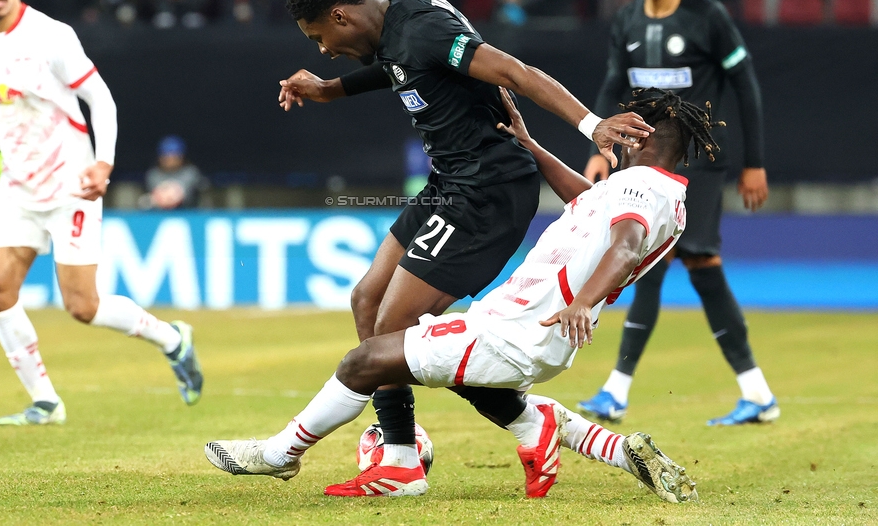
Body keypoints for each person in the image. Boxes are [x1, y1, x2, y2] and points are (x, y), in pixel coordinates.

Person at [205, 88, 707, 503]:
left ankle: (283, 455)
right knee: (461, 375)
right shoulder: (653, 191)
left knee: (366, 360)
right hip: (520, 327)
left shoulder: (641, 185)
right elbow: (585, 200)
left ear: (642, 133)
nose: (615, 132)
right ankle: (581, 437)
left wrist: (581, 301)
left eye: (627, 125)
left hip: (523, 329)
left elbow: (624, 247)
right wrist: (530, 144)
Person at [274, 0, 653, 495]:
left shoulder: (424, 27)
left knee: (398, 322)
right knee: (368, 301)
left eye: (320, 37)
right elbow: (402, 69)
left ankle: (404, 458)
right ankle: (415, 444)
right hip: (450, 180)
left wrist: (593, 126)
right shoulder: (398, 21)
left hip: (486, 190)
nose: (322, 50)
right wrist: (329, 89)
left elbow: (514, 72)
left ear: (341, 15)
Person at [0, 0, 203, 426]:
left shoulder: (51, 35)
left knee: (82, 306)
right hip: (17, 186)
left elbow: (101, 101)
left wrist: (103, 164)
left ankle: (173, 339)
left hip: (71, 183)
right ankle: (45, 401)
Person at [577, 0, 776, 427]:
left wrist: (754, 162)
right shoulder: (625, 20)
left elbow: (746, 86)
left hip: (701, 161)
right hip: (645, 162)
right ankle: (618, 392)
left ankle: (755, 393)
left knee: (699, 258)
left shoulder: (708, 16)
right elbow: (611, 84)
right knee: (652, 261)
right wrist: (600, 143)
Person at [144, 135, 207, 209]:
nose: (169, 160)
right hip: (159, 214)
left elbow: (204, 189)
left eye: (174, 156)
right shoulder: (153, 175)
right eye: (166, 156)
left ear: (181, 157)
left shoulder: (191, 173)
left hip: (188, 213)